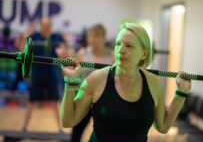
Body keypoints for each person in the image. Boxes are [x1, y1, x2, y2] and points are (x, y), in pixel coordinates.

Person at [61, 22, 191, 142]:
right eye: (118, 44)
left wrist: (181, 93)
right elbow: (68, 121)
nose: (121, 50)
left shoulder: (154, 84)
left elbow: (163, 126)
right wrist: (71, 82)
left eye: (128, 46)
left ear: (144, 54)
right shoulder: (96, 79)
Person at [70, 24, 114, 142]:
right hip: (84, 98)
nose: (92, 40)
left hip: (104, 100)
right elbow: (75, 75)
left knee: (106, 133)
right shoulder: (83, 53)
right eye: (90, 37)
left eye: (95, 37)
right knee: (77, 132)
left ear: (103, 38)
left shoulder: (112, 56)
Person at [22, 18, 66, 132]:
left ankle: (60, 129)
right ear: (40, 26)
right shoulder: (34, 37)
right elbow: (23, 52)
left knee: (56, 103)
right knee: (31, 103)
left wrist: (62, 53)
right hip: (37, 76)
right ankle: (24, 128)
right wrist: (24, 38)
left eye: (48, 25)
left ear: (51, 26)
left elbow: (64, 55)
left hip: (52, 77)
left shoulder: (56, 38)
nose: (46, 27)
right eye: (44, 25)